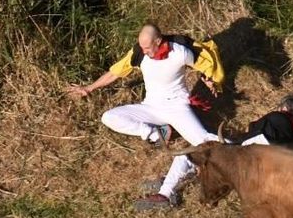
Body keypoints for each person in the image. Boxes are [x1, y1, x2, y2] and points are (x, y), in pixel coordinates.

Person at [135, 94, 293, 211]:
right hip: (253, 163)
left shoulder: (277, 118)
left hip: (243, 153)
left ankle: (165, 193)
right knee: (198, 156)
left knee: (194, 150)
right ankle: (171, 182)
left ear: (285, 108)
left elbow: (256, 135)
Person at [66, 23, 224, 145]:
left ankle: (242, 146)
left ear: (158, 41)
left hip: (176, 107)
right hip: (151, 107)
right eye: (142, 47)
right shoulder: (139, 53)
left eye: (147, 47)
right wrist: (88, 88)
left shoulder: (180, 51)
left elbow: (206, 62)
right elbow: (115, 72)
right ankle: (158, 134)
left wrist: (211, 80)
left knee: (203, 142)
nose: (144, 51)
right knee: (109, 117)